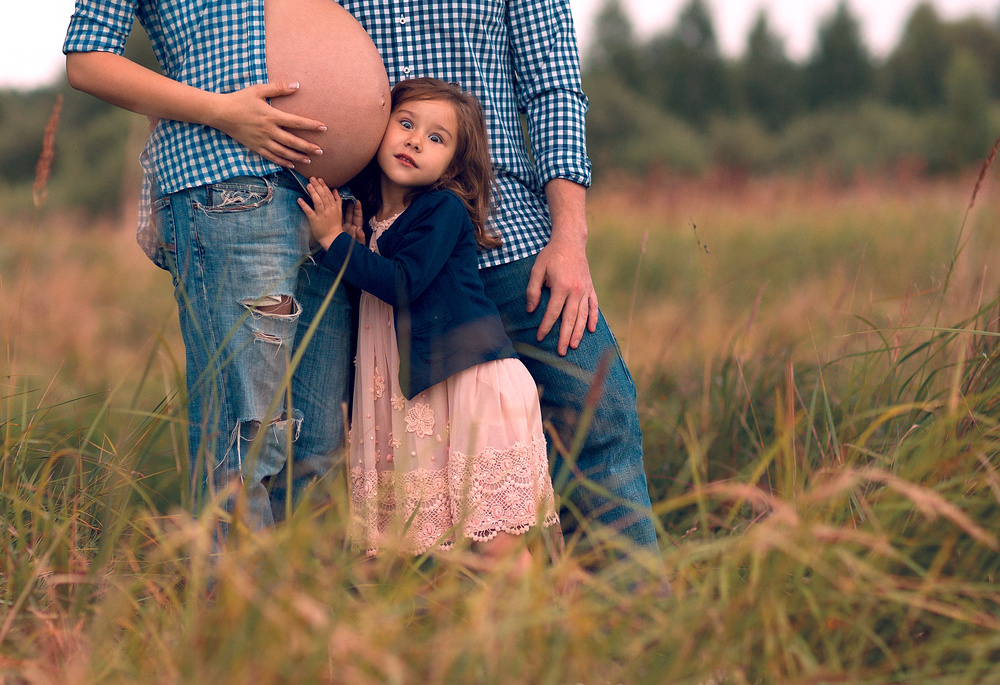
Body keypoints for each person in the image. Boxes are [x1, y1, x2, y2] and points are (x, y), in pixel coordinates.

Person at [338, 0, 663, 570]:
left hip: (513, 237)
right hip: (381, 245)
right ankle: (438, 644)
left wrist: (568, 236)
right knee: (396, 457)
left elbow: (553, 88)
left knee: (597, 409)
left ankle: (631, 633)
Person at [62, 1, 353, 531]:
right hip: (229, 184)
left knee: (319, 445)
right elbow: (88, 59)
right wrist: (221, 110)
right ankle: (235, 606)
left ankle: (311, 606)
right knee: (246, 435)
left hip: (335, 205)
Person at [300, 78, 560, 567]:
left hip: (467, 385)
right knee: (418, 544)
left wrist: (335, 241)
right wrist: (353, 245)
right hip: (416, 391)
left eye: (437, 138)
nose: (416, 140)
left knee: (494, 540)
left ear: (454, 166)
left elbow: (401, 284)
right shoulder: (374, 217)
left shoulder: (442, 210)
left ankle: (541, 632)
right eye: (406, 124)